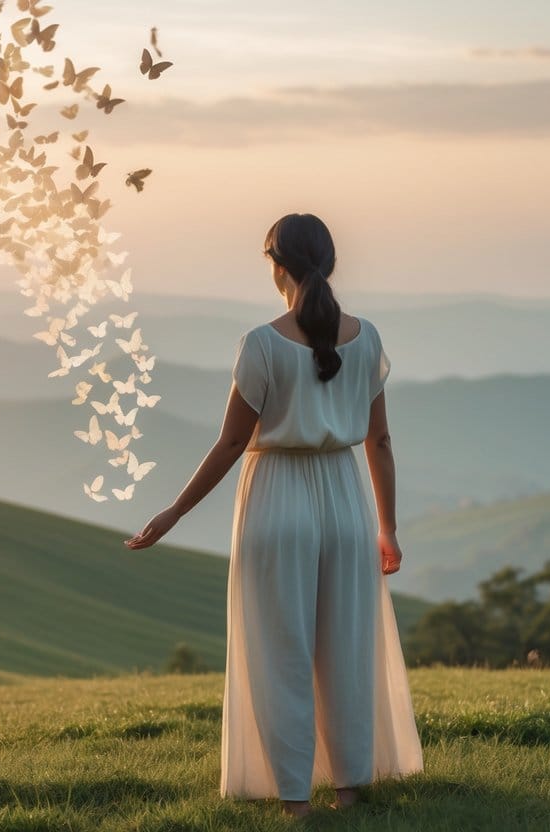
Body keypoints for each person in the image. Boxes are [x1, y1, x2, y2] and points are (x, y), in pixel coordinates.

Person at [124, 212, 423, 819]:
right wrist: (387, 527)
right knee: (347, 649)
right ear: (330, 263)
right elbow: (381, 441)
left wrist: (175, 511)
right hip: (347, 501)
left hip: (275, 499)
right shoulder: (366, 337)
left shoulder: (262, 343)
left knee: (279, 652)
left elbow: (233, 442)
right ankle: (348, 791)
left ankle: (294, 801)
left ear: (277, 266)